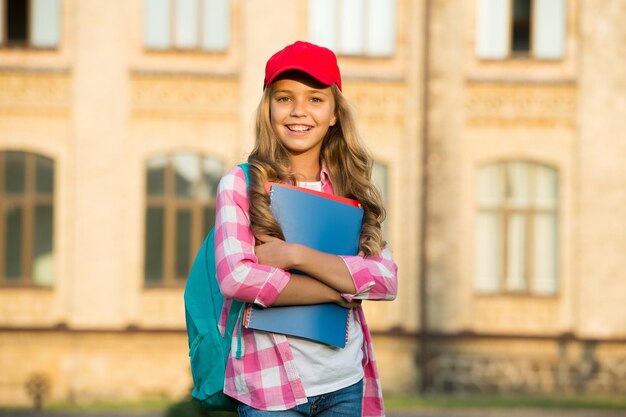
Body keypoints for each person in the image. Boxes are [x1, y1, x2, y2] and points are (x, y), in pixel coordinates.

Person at [214, 40, 398, 417]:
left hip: (345, 383)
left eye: (315, 99)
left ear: (334, 113)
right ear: (268, 109)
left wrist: (295, 255)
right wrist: (337, 290)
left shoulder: (351, 188)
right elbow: (237, 278)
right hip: (270, 390)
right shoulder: (241, 184)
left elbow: (385, 280)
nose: (299, 111)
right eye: (285, 98)